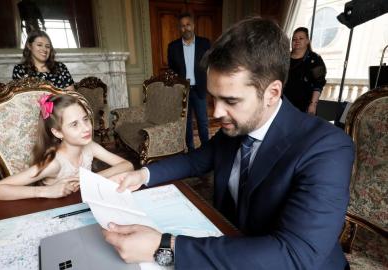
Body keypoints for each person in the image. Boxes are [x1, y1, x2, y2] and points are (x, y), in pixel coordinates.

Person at [103, 17, 354, 269]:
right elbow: (197, 160)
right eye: (213, 98)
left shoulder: (327, 149)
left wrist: (166, 247)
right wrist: (142, 174)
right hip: (231, 243)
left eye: (231, 101)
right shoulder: (237, 126)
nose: (217, 112)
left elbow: (293, 255)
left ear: (272, 93)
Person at [0, 94, 133, 200]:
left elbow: (127, 165)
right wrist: (46, 191)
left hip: (82, 203)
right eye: (74, 124)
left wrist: (91, 178)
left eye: (85, 119)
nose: (86, 128)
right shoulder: (53, 163)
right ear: (57, 132)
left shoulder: (90, 147)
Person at [168, 12, 210, 151]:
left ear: (193, 25)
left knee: (203, 122)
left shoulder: (205, 43)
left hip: (200, 89)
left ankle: (206, 149)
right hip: (183, 90)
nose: (186, 28)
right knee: (186, 123)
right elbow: (172, 68)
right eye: (182, 26)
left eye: (188, 25)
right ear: (179, 28)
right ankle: (191, 150)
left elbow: (211, 64)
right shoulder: (173, 47)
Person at [283, 27, 327, 114]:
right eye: (294, 39)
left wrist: (313, 105)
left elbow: (319, 83)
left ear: (307, 41)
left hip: (304, 107)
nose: (297, 41)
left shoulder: (315, 59)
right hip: (282, 104)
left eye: (301, 38)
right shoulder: (283, 57)